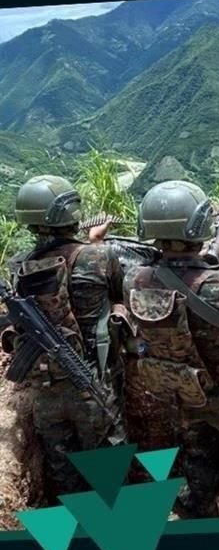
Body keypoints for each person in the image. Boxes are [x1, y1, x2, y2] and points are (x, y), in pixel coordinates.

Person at [125, 180, 219, 518]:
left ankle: (203, 510)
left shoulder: (134, 280)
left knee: (198, 453)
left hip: (184, 392)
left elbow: (174, 277)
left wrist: (207, 257)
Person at [6, 175, 127, 498]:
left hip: (45, 392)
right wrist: (95, 243)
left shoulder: (18, 266)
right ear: (69, 212)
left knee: (63, 473)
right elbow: (119, 295)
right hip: (92, 384)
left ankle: (74, 537)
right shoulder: (99, 256)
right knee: (109, 475)